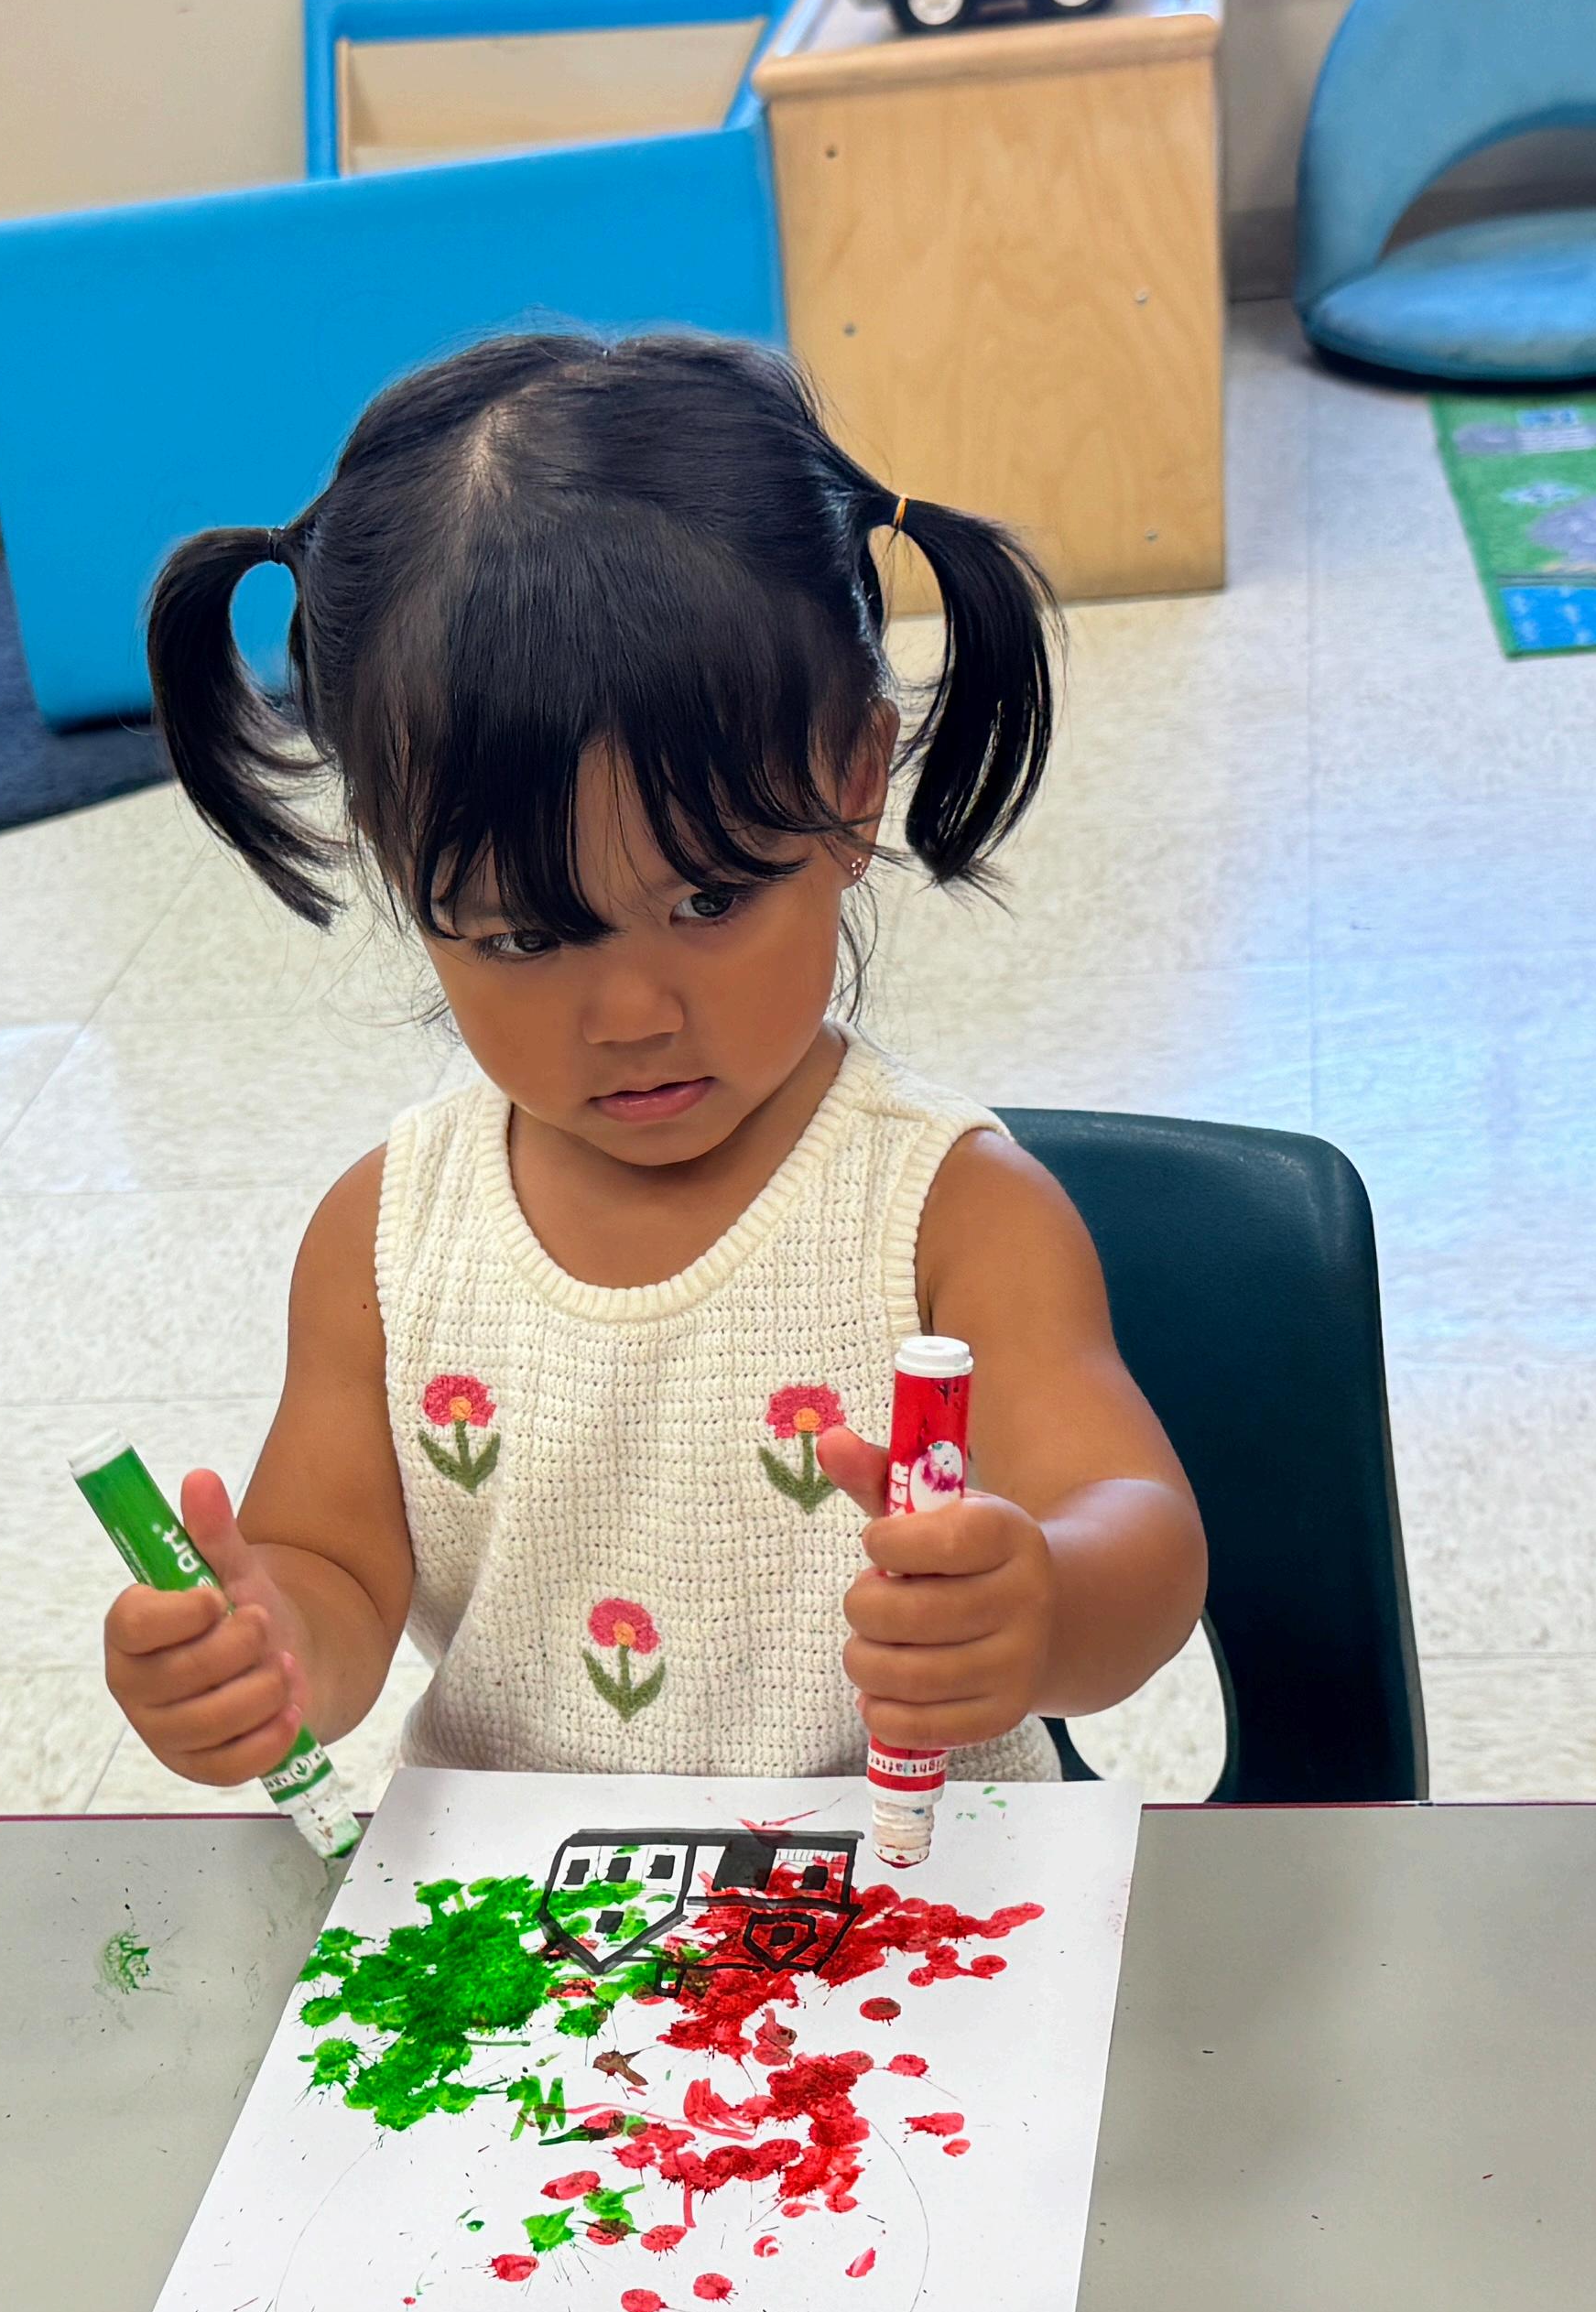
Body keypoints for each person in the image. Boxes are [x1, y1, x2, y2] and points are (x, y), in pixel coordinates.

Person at [94, 331, 1204, 1796]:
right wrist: (264, 1650)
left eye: (709, 901)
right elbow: (332, 1570)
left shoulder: (954, 1216)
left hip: (912, 1897)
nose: (627, 1015)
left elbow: (1139, 1530)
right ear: (393, 861)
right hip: (535, 1905)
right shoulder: (387, 1239)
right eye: (520, 935)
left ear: (853, 784)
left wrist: (1044, 1603)